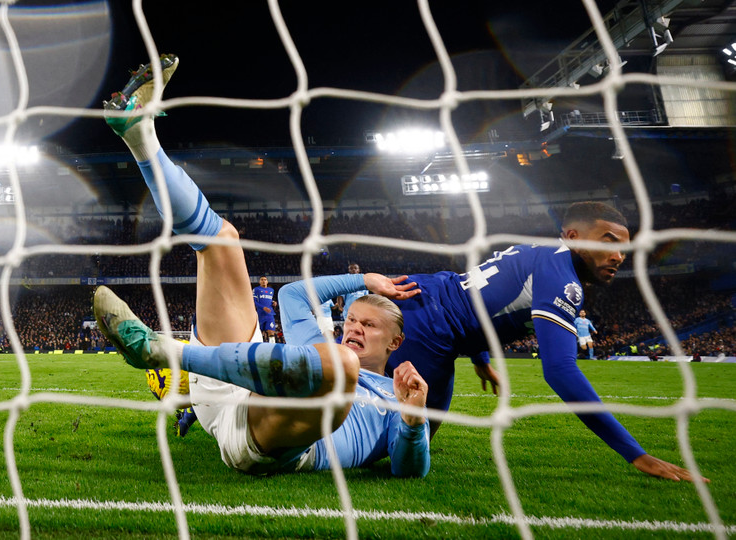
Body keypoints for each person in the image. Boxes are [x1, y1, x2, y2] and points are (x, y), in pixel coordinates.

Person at [96, 54, 429, 477]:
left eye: (369, 325)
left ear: (396, 342)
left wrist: (413, 422)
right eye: (352, 320)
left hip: (265, 439)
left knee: (340, 366)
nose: (354, 328)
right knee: (222, 239)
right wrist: (363, 279)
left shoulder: (398, 396)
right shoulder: (319, 342)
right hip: (233, 388)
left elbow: (409, 470)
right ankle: (139, 133)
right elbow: (294, 294)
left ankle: (161, 351)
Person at [385, 201, 709, 483]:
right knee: (402, 443)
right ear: (574, 237)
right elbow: (560, 371)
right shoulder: (563, 279)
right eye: (608, 242)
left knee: (418, 436)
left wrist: (480, 358)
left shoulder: (544, 255)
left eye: (624, 249)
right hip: (425, 322)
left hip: (428, 306)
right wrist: (637, 454)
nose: (618, 256)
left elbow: (481, 301)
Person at [253, 276, 277, 343]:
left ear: (267, 281)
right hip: (260, 314)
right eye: (262, 280)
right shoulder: (256, 289)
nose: (263, 281)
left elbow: (269, 300)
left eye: (265, 280)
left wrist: (273, 302)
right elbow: (254, 301)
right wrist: (263, 307)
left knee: (271, 331)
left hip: (270, 314)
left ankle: (272, 347)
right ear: (259, 282)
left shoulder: (271, 290)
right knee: (260, 332)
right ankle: (259, 346)